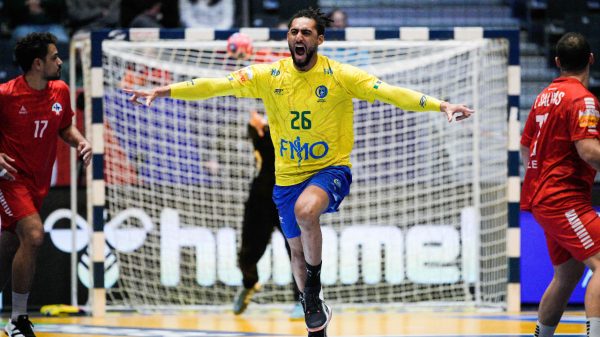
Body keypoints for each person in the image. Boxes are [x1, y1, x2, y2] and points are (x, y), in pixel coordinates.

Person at [124, 7, 473, 335]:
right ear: (288, 39)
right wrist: (165, 90)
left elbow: (391, 93)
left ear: (319, 39)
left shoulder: (340, 75)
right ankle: (314, 319)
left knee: (307, 213)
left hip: (329, 170)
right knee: (295, 254)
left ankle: (313, 290)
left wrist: (441, 105)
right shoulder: (269, 75)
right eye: (293, 32)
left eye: (306, 32)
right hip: (286, 179)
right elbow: (217, 84)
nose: (298, 37)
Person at [0, 32, 92, 337]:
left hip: (39, 183)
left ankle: (13, 316)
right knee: (35, 235)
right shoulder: (6, 94)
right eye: (55, 56)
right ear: (37, 63)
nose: (60, 61)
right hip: (10, 181)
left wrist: (79, 142)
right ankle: (17, 319)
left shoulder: (60, 91)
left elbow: (64, 126)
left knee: (11, 245)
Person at [520, 32, 600, 337]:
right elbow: (589, 150)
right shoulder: (583, 99)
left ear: (557, 62)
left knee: (568, 273)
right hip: (563, 198)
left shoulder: (543, 97)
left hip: (543, 197)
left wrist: (543, 180)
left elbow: (526, 148)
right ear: (590, 59)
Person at [233, 110, 303, 320]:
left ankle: (304, 300)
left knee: (297, 250)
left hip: (290, 194)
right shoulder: (258, 126)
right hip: (261, 198)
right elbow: (255, 124)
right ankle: (249, 283)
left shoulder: (296, 118)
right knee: (247, 255)